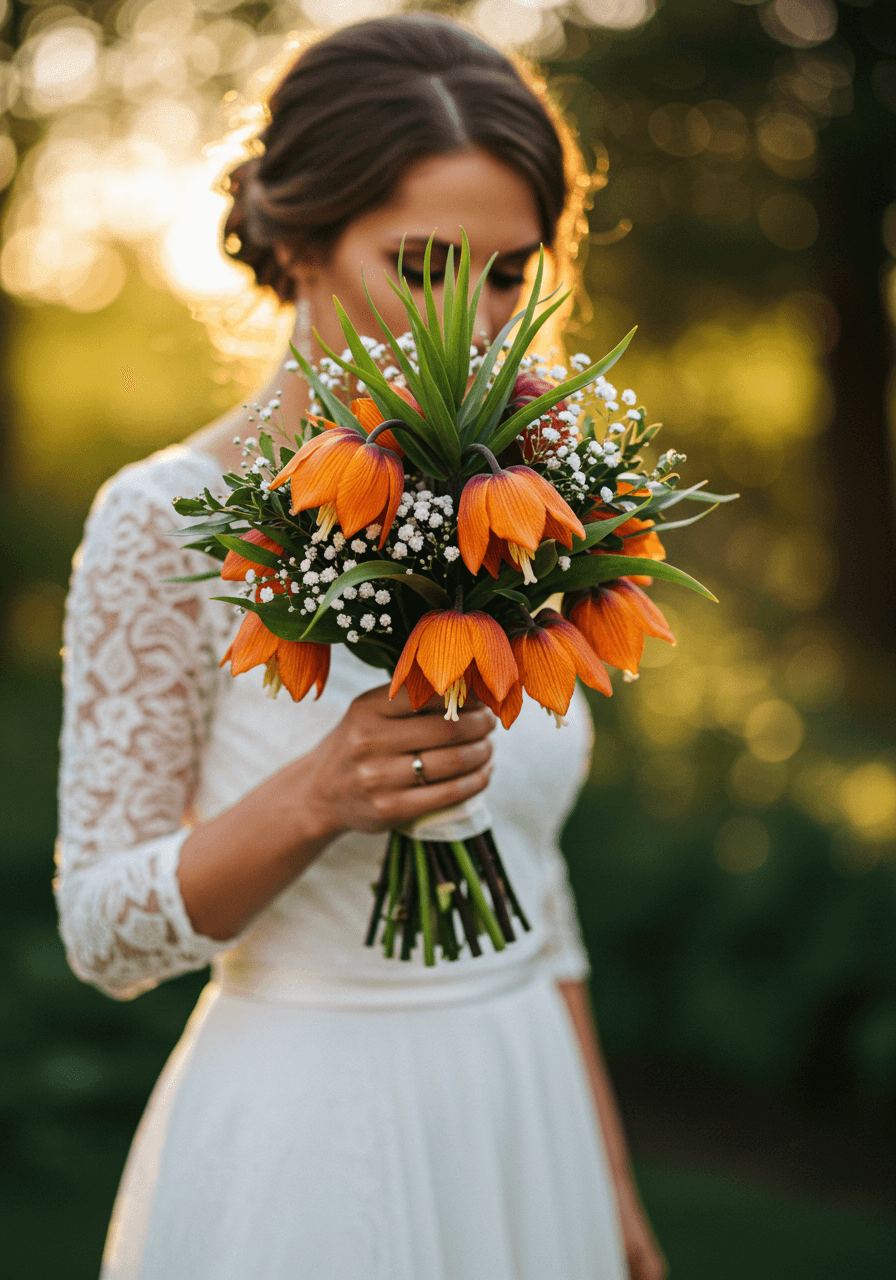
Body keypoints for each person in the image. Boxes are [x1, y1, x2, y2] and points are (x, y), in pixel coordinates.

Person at [55, 14, 666, 1280]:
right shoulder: (160, 519)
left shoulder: (537, 509)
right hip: (313, 1128)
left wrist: (605, 1179)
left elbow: (537, 892)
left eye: (509, 273)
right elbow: (101, 931)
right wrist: (317, 793)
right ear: (299, 249)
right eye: (427, 265)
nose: (482, 321)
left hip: (524, 1101)